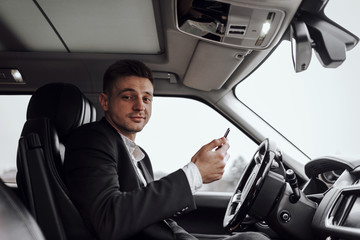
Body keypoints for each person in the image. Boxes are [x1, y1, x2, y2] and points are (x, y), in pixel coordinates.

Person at [63, 59, 269, 240]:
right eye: (128, 97)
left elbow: (148, 212)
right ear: (105, 101)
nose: (139, 106)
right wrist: (194, 173)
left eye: (146, 98)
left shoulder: (140, 157)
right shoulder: (91, 139)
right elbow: (108, 219)